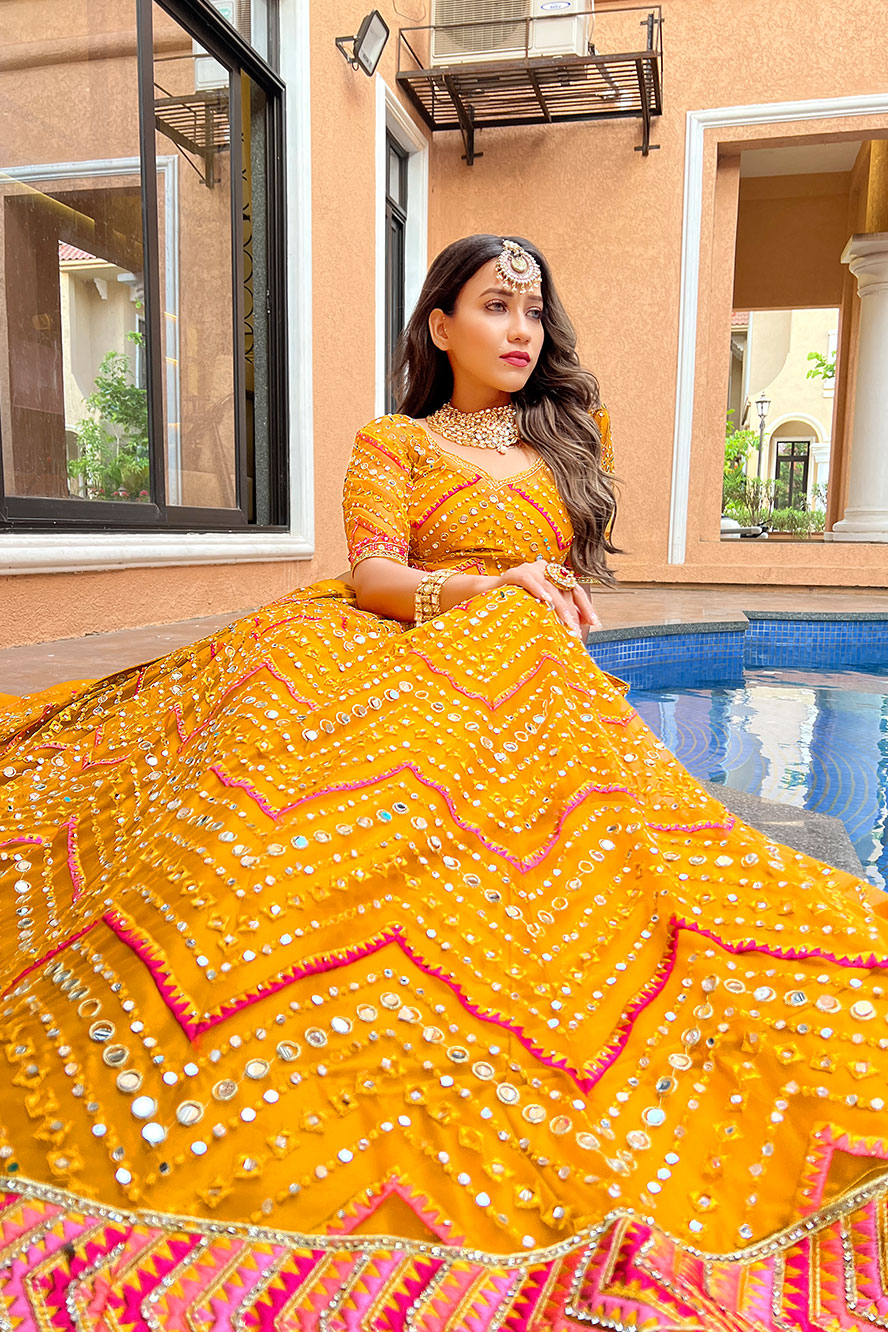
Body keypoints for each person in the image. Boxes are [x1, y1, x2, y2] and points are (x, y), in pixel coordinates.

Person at [0, 234, 886, 1331]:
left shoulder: (566, 437)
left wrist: (527, 597)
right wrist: (485, 587)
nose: (522, 330)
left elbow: (569, 579)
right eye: (497, 306)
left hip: (528, 669)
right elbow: (370, 573)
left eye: (534, 310)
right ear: (440, 326)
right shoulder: (396, 441)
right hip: (409, 636)